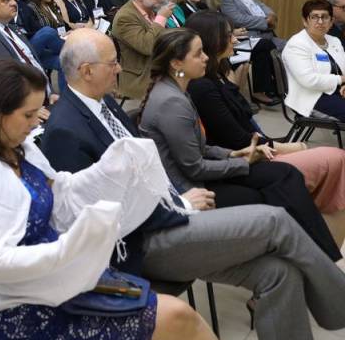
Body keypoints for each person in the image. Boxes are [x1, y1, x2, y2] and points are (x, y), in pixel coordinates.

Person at [40, 28, 345, 340]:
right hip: (142, 242)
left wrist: (178, 199)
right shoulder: (65, 130)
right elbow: (97, 217)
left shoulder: (103, 104)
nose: (120, 69)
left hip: (167, 214)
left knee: (279, 273)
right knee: (275, 220)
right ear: (87, 71)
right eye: (113, 63)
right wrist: (180, 203)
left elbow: (149, 168)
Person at [0, 59, 223, 340]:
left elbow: (60, 191)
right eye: (28, 114)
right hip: (19, 311)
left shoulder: (18, 148)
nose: (36, 122)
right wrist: (65, 251)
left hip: (49, 284)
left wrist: (111, 169)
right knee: (181, 318)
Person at [138, 28, 341, 261]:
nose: (205, 57)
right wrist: (243, 162)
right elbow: (194, 168)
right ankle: (316, 257)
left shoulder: (177, 91)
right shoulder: (172, 102)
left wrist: (234, 154)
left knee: (285, 174)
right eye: (198, 53)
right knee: (269, 193)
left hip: (199, 172)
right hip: (189, 186)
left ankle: (318, 255)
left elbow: (200, 148)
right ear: (176, 63)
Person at [186, 10, 345, 244]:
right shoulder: (203, 87)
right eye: (229, 35)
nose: (235, 40)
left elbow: (244, 124)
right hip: (248, 157)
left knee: (335, 167)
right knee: (336, 160)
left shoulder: (218, 75)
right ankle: (323, 247)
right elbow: (238, 140)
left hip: (257, 148)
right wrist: (287, 147)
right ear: (213, 41)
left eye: (325, 17)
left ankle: (322, 243)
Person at [0, 0, 58, 98]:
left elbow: (34, 62)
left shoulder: (11, 27)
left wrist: (50, 92)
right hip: (23, 103)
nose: (14, 3)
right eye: (6, 0)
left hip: (46, 97)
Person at [283, 0, 345, 120]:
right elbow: (309, 80)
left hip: (337, 92)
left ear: (331, 21)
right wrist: (341, 79)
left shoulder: (334, 41)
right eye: (314, 17)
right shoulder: (297, 44)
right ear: (305, 21)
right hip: (312, 97)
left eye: (325, 17)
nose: (320, 21)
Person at [112, 0, 172, 99]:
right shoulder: (125, 17)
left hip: (159, 74)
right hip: (139, 81)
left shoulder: (151, 11)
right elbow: (147, 46)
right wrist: (161, 18)